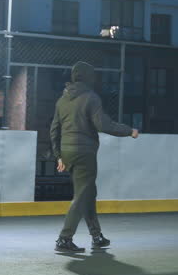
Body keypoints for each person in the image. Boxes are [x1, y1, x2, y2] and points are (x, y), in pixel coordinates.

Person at [50, 61, 138, 253]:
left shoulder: (62, 100)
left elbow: (54, 130)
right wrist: (128, 130)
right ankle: (64, 239)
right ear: (89, 77)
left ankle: (96, 236)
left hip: (67, 152)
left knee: (88, 192)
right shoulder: (91, 97)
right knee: (82, 195)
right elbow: (104, 125)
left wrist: (59, 156)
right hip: (84, 152)